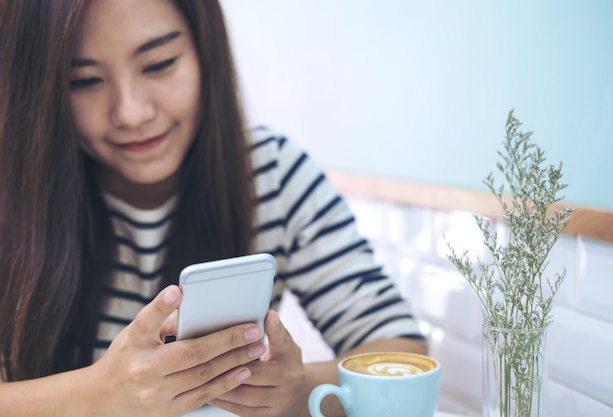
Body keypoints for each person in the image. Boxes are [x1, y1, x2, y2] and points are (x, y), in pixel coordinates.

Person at [0, 1, 427, 416]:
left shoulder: (272, 173)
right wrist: (101, 395)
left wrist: (298, 390)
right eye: (84, 81)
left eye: (159, 64)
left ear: (207, 51)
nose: (130, 112)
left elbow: (401, 353)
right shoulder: (11, 193)